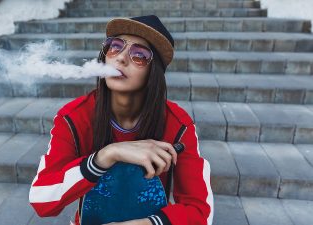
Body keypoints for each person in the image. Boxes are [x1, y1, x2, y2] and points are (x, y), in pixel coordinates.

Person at [29, 15, 214, 225]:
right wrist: (107, 155)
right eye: (115, 46)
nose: (121, 58)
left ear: (153, 72)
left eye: (139, 54)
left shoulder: (178, 125)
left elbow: (201, 213)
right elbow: (40, 200)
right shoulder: (73, 117)